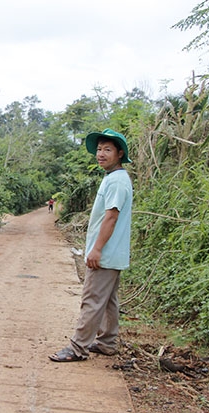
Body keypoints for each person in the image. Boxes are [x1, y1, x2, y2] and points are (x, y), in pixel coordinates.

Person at [49, 128, 133, 362]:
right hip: (113, 253)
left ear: (119, 153)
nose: (101, 154)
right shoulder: (115, 178)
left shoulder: (116, 181)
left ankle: (77, 348)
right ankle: (107, 342)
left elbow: (111, 217)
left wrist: (96, 249)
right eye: (99, 149)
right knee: (108, 300)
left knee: (93, 298)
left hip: (105, 253)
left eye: (107, 149)